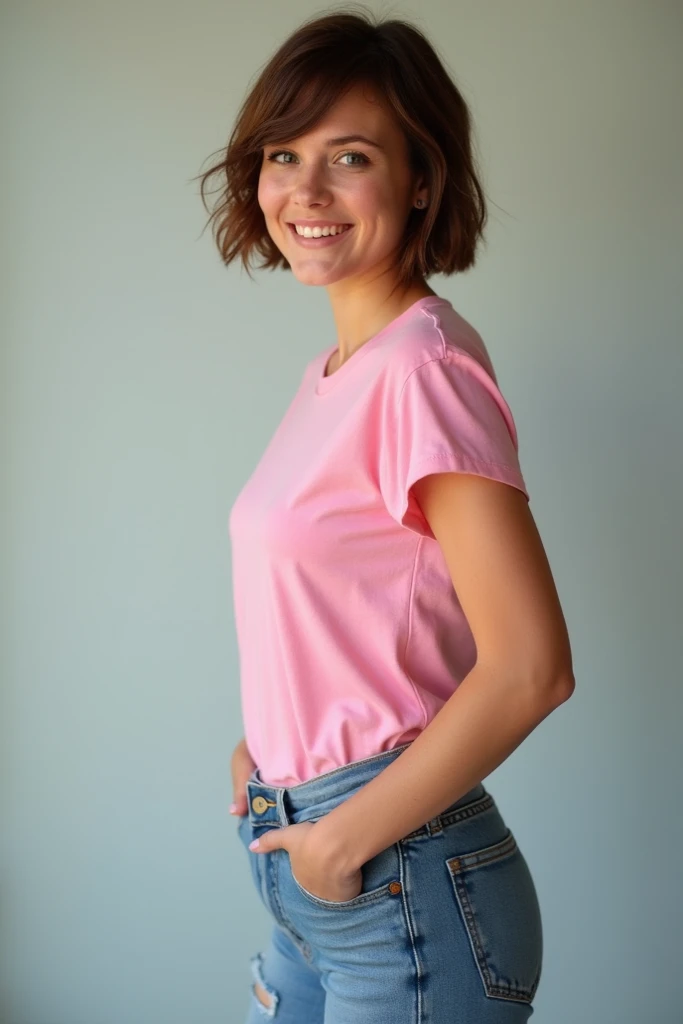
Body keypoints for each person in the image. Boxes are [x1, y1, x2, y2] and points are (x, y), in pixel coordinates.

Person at [196, 9, 574, 1023]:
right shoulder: (337, 374)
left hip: (393, 879)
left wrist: (339, 833)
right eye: (284, 154)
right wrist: (270, 742)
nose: (305, 192)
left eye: (349, 156)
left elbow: (530, 667)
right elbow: (360, 603)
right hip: (316, 870)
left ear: (419, 179)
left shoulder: (423, 368)